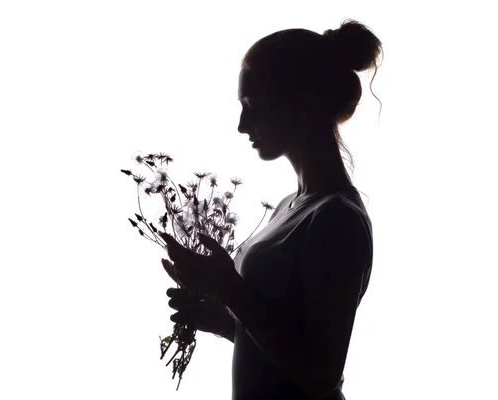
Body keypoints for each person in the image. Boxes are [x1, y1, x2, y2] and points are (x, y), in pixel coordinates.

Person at [160, 18, 382, 400]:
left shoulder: (337, 218)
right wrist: (225, 323)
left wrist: (230, 288)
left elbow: (320, 376)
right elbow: (287, 342)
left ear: (306, 107)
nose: (242, 124)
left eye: (254, 106)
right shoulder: (289, 207)